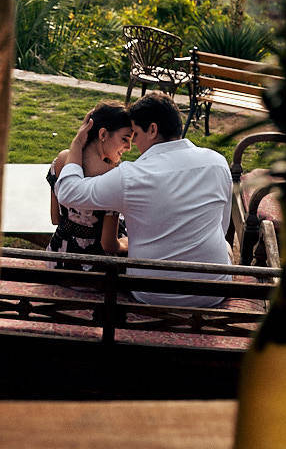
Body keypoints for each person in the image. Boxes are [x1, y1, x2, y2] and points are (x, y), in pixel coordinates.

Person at [54, 93, 233, 306]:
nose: (134, 146)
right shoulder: (217, 163)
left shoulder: (131, 176)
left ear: (153, 130)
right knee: (224, 246)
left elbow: (68, 192)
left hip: (150, 292)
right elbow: (221, 226)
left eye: (136, 135)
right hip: (213, 290)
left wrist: (77, 143)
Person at [46, 101, 133, 270]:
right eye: (125, 139)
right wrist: (129, 243)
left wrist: (77, 143)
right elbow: (109, 245)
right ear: (103, 134)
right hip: (97, 270)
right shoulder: (113, 177)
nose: (129, 147)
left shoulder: (61, 161)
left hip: (58, 260)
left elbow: (55, 218)